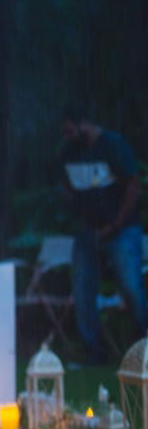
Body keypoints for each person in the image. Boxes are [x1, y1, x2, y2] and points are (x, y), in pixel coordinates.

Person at [58, 105, 145, 361]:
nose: (67, 137)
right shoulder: (69, 152)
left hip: (121, 230)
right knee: (83, 289)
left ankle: (143, 345)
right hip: (89, 230)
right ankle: (95, 350)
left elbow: (133, 186)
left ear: (84, 124)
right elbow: (67, 186)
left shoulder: (112, 146)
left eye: (70, 131)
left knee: (130, 286)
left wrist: (116, 224)